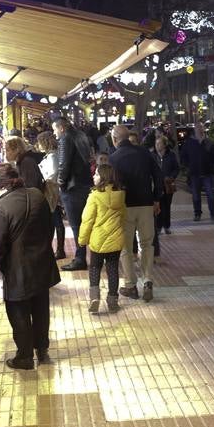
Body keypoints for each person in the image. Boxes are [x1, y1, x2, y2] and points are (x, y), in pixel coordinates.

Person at [0, 163, 60, 370]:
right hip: (42, 262)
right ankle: (42, 348)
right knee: (41, 308)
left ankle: (24, 356)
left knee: (18, 311)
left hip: (17, 267)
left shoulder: (1, 207)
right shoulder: (36, 195)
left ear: (0, 185)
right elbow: (49, 226)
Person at [108, 123, 163, 303]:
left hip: (125, 206)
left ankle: (131, 285)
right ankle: (147, 280)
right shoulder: (144, 153)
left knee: (125, 247)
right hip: (146, 203)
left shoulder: (114, 157)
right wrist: (156, 199)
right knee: (147, 244)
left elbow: (111, 185)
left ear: (115, 139)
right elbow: (158, 176)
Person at [77, 164, 126, 314]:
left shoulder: (94, 196)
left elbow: (87, 220)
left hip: (98, 240)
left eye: (96, 175)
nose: (93, 176)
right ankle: (112, 300)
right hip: (116, 241)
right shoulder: (120, 194)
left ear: (103, 178)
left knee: (94, 268)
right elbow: (124, 217)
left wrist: (82, 240)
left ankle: (94, 298)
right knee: (113, 270)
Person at [53, 117, 94, 271]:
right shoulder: (81, 135)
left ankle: (80, 258)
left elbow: (64, 164)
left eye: (55, 129)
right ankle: (88, 256)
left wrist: (61, 183)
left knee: (76, 225)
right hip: (85, 183)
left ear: (61, 128)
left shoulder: (65, 139)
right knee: (86, 223)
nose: (54, 133)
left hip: (72, 186)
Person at [179, 122, 214, 223]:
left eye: (201, 128)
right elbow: (183, 156)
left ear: (204, 130)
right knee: (196, 195)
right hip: (194, 174)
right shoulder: (189, 143)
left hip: (208, 173)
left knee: (211, 195)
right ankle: (197, 214)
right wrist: (188, 166)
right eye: (197, 128)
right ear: (194, 130)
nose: (199, 130)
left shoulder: (209, 142)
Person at [36, 131, 67, 260]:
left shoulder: (53, 156)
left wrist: (43, 178)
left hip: (51, 191)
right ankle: (56, 249)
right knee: (54, 220)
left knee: (55, 220)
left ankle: (59, 250)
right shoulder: (51, 155)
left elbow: (53, 173)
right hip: (51, 191)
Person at [153, 135, 179, 237]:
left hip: (167, 185)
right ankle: (158, 226)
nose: (157, 146)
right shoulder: (153, 155)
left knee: (167, 206)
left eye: (159, 143)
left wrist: (171, 177)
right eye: (156, 144)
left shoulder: (171, 155)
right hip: (156, 185)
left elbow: (176, 168)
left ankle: (167, 226)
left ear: (164, 145)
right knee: (158, 205)